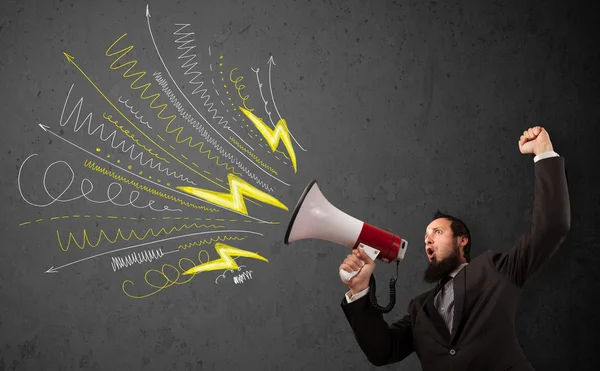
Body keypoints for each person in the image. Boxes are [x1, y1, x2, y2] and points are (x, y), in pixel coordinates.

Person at [339, 126, 570, 370]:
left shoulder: (495, 269)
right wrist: (360, 290)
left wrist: (544, 152)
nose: (428, 240)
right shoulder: (419, 309)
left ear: (463, 240)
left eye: (437, 232)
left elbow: (551, 228)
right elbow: (381, 352)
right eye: (426, 237)